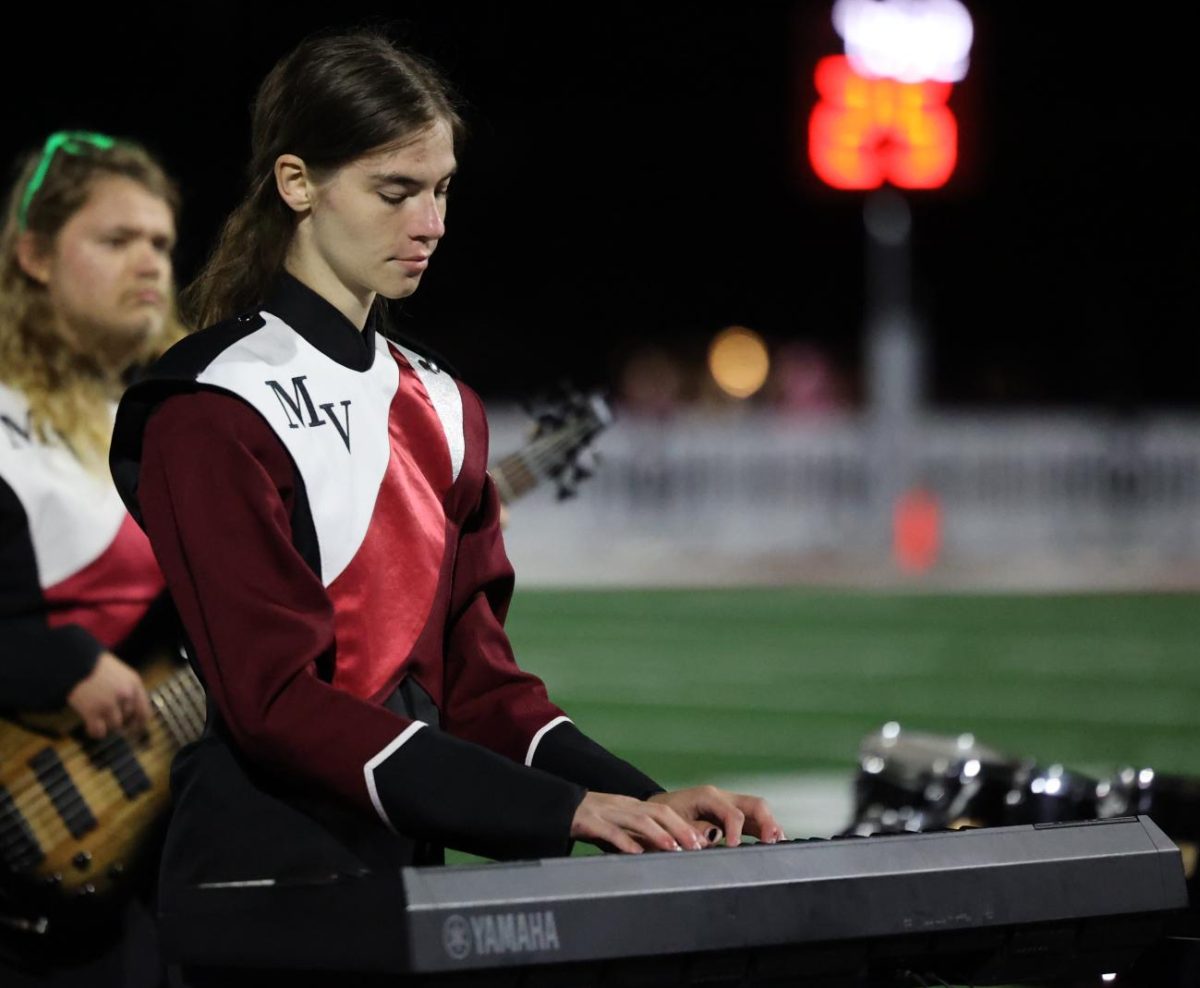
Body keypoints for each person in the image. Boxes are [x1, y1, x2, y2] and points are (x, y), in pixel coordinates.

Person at [109, 28, 783, 939]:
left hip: (410, 888)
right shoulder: (209, 405)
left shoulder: (444, 406)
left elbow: (480, 688)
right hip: (256, 893)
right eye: (395, 192)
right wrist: (560, 813)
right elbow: (272, 703)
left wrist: (645, 803)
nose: (430, 224)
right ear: (298, 183)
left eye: (442, 189)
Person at [0, 130, 185, 986]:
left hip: (141, 841)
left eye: (160, 243)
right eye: (116, 240)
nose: (149, 262)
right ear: (33, 255)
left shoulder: (181, 420)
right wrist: (53, 657)